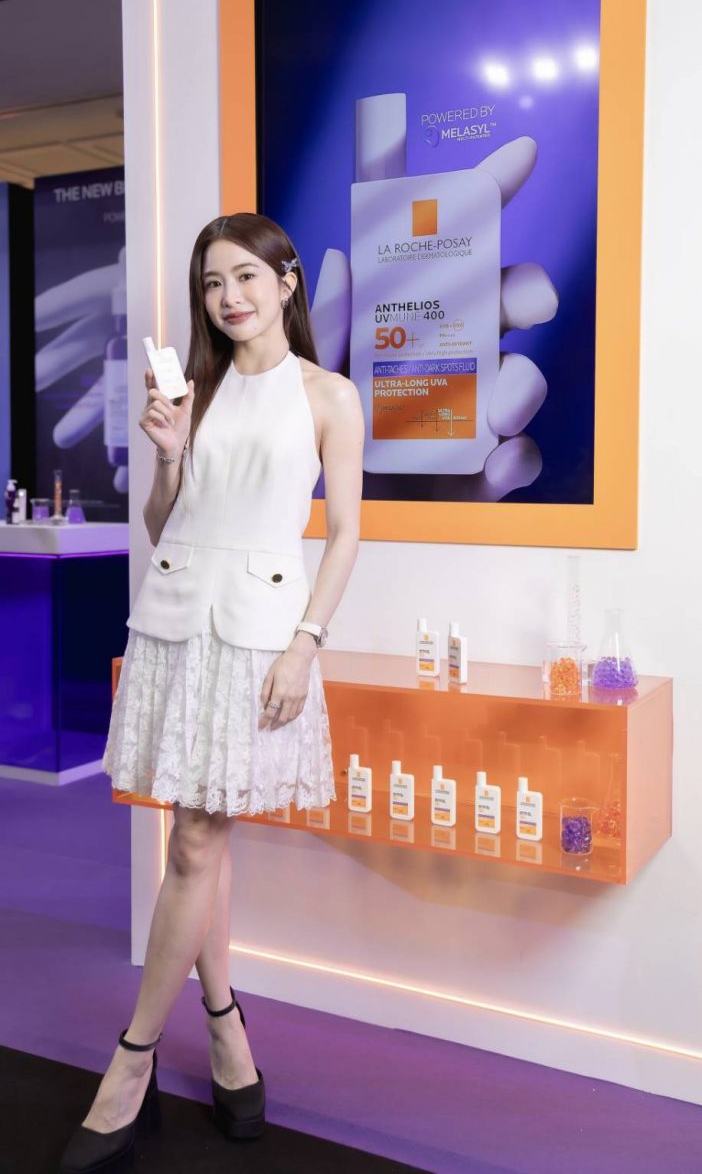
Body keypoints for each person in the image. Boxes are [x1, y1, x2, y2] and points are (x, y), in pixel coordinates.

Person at [58, 213, 363, 1174]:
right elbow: (165, 524)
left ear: (287, 281)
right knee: (203, 836)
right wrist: (167, 451)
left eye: (244, 277)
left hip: (259, 637)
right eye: (211, 283)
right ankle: (227, 1029)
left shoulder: (329, 395)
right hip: (174, 624)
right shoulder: (198, 386)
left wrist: (306, 645)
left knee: (196, 840)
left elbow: (346, 534)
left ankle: (133, 1061)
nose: (227, 298)